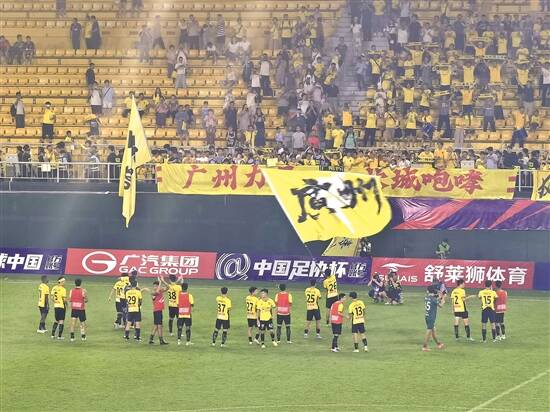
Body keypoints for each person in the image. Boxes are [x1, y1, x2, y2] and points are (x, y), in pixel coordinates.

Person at [422, 285, 445, 352]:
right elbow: (440, 306)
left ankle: (438, 344)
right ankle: (424, 346)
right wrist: (442, 300)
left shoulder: (426, 297)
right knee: (429, 331)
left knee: (433, 331)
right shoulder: (434, 299)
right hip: (431, 317)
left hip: (427, 316)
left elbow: (433, 301)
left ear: (428, 291)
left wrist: (439, 297)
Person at [149, 280, 169, 345]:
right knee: (159, 326)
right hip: (157, 310)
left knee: (156, 325)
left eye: (156, 286)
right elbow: (157, 292)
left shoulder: (160, 290)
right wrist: (160, 283)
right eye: (154, 286)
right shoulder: (153, 292)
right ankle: (161, 340)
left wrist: (163, 281)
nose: (154, 287)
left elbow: (168, 287)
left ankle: (151, 339)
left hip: (158, 310)